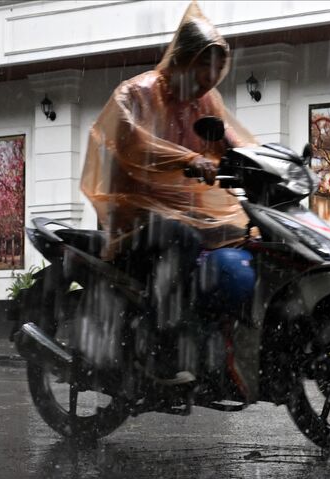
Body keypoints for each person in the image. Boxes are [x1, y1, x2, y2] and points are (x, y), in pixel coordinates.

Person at [80, 0, 255, 385]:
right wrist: (186, 159)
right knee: (180, 238)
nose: (210, 76)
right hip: (136, 217)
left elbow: (229, 139)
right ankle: (160, 348)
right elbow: (133, 145)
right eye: (203, 65)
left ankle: (216, 340)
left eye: (216, 66)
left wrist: (265, 165)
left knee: (247, 234)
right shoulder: (137, 93)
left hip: (182, 212)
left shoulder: (204, 103)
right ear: (182, 60)